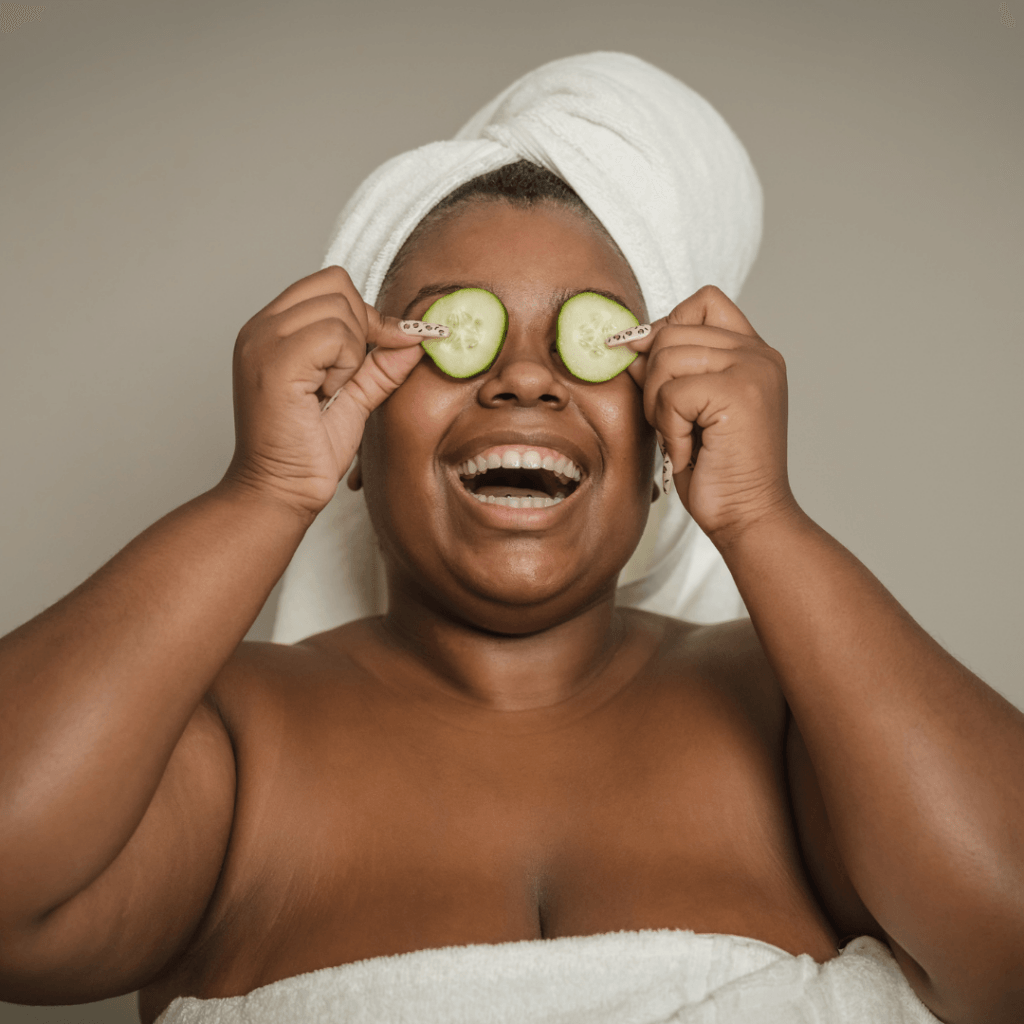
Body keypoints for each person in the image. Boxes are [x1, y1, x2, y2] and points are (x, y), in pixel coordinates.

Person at [1, 54, 1023, 1024]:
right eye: (455, 331)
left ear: (669, 434)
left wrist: (765, 517)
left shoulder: (803, 718)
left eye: (595, 339)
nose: (526, 377)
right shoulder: (223, 737)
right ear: (355, 420)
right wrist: (260, 491)